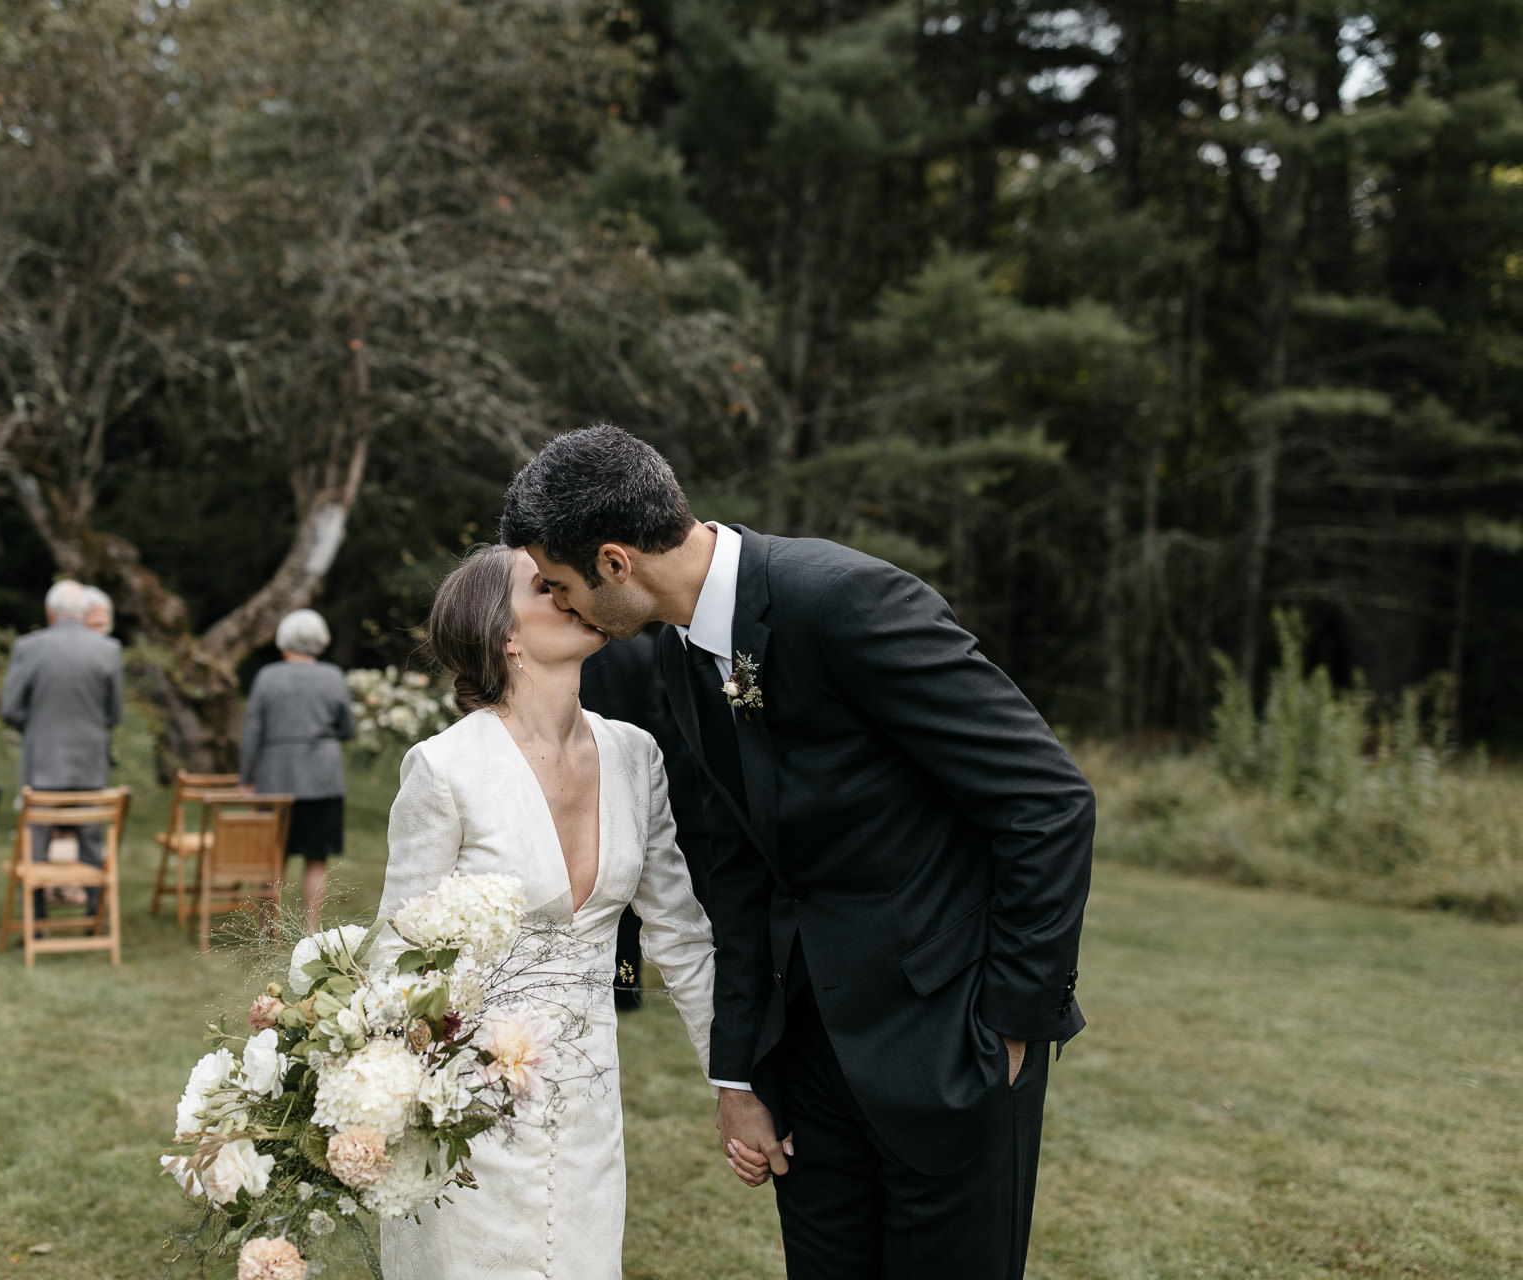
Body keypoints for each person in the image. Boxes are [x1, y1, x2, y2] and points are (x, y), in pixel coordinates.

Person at [500, 425, 1095, 1280]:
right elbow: (734, 870)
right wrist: (740, 1072)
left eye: (562, 586)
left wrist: (1010, 1027)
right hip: (808, 1064)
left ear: (616, 562)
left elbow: (1048, 800)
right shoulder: (677, 656)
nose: (563, 607)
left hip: (949, 1040)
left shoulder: (846, 599)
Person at [376, 544, 716, 1280]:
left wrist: (734, 1082)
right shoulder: (444, 768)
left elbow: (681, 934)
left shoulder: (635, 754)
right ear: (506, 634)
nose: (575, 592)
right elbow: (395, 958)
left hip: (590, 1102)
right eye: (546, 586)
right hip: (468, 1103)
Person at [578, 628, 711, 1009]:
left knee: (600, 886)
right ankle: (625, 988)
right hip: (634, 775)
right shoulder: (642, 649)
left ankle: (613, 984)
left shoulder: (567, 649)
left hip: (582, 775)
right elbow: (659, 716)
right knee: (630, 884)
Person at [0, 580, 123, 912]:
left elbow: (9, 708)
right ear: (84, 614)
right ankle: (95, 913)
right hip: (90, 761)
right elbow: (113, 714)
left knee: (36, 839)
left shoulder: (29, 646)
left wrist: (38, 728)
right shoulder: (108, 650)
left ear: (50, 611)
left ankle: (35, 918)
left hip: (42, 760)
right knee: (90, 838)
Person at [236, 609, 355, 934]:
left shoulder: (267, 677)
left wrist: (246, 777)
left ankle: (267, 929)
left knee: (271, 858)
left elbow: (251, 733)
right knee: (317, 857)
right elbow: (347, 727)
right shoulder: (333, 676)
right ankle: (310, 930)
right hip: (323, 778)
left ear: (285, 639)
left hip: (276, 779)